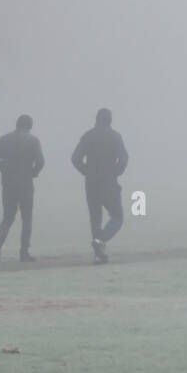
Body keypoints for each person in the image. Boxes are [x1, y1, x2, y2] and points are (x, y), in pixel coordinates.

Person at [71, 108, 129, 264]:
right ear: (110, 120)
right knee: (117, 216)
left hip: (91, 183)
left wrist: (87, 172)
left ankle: (98, 254)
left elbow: (75, 158)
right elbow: (124, 159)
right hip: (109, 182)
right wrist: (116, 172)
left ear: (96, 119)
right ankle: (100, 241)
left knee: (95, 218)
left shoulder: (88, 136)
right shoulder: (115, 137)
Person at [0, 114, 44, 262]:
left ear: (17, 124)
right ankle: (24, 252)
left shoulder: (4, 139)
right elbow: (40, 161)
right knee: (27, 218)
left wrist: (4, 169)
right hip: (26, 183)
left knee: (8, 217)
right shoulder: (33, 141)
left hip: (8, 183)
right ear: (30, 126)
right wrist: (34, 173)